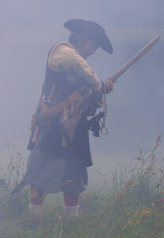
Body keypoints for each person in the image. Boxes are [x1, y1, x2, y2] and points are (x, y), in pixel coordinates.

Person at [23, 19, 114, 218]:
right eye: (92, 46)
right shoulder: (63, 52)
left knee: (74, 179)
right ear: (80, 39)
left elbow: (88, 93)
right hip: (53, 125)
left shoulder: (79, 62)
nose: (93, 52)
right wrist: (98, 84)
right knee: (41, 175)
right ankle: (33, 222)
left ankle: (71, 225)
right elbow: (87, 76)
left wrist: (101, 90)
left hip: (76, 126)